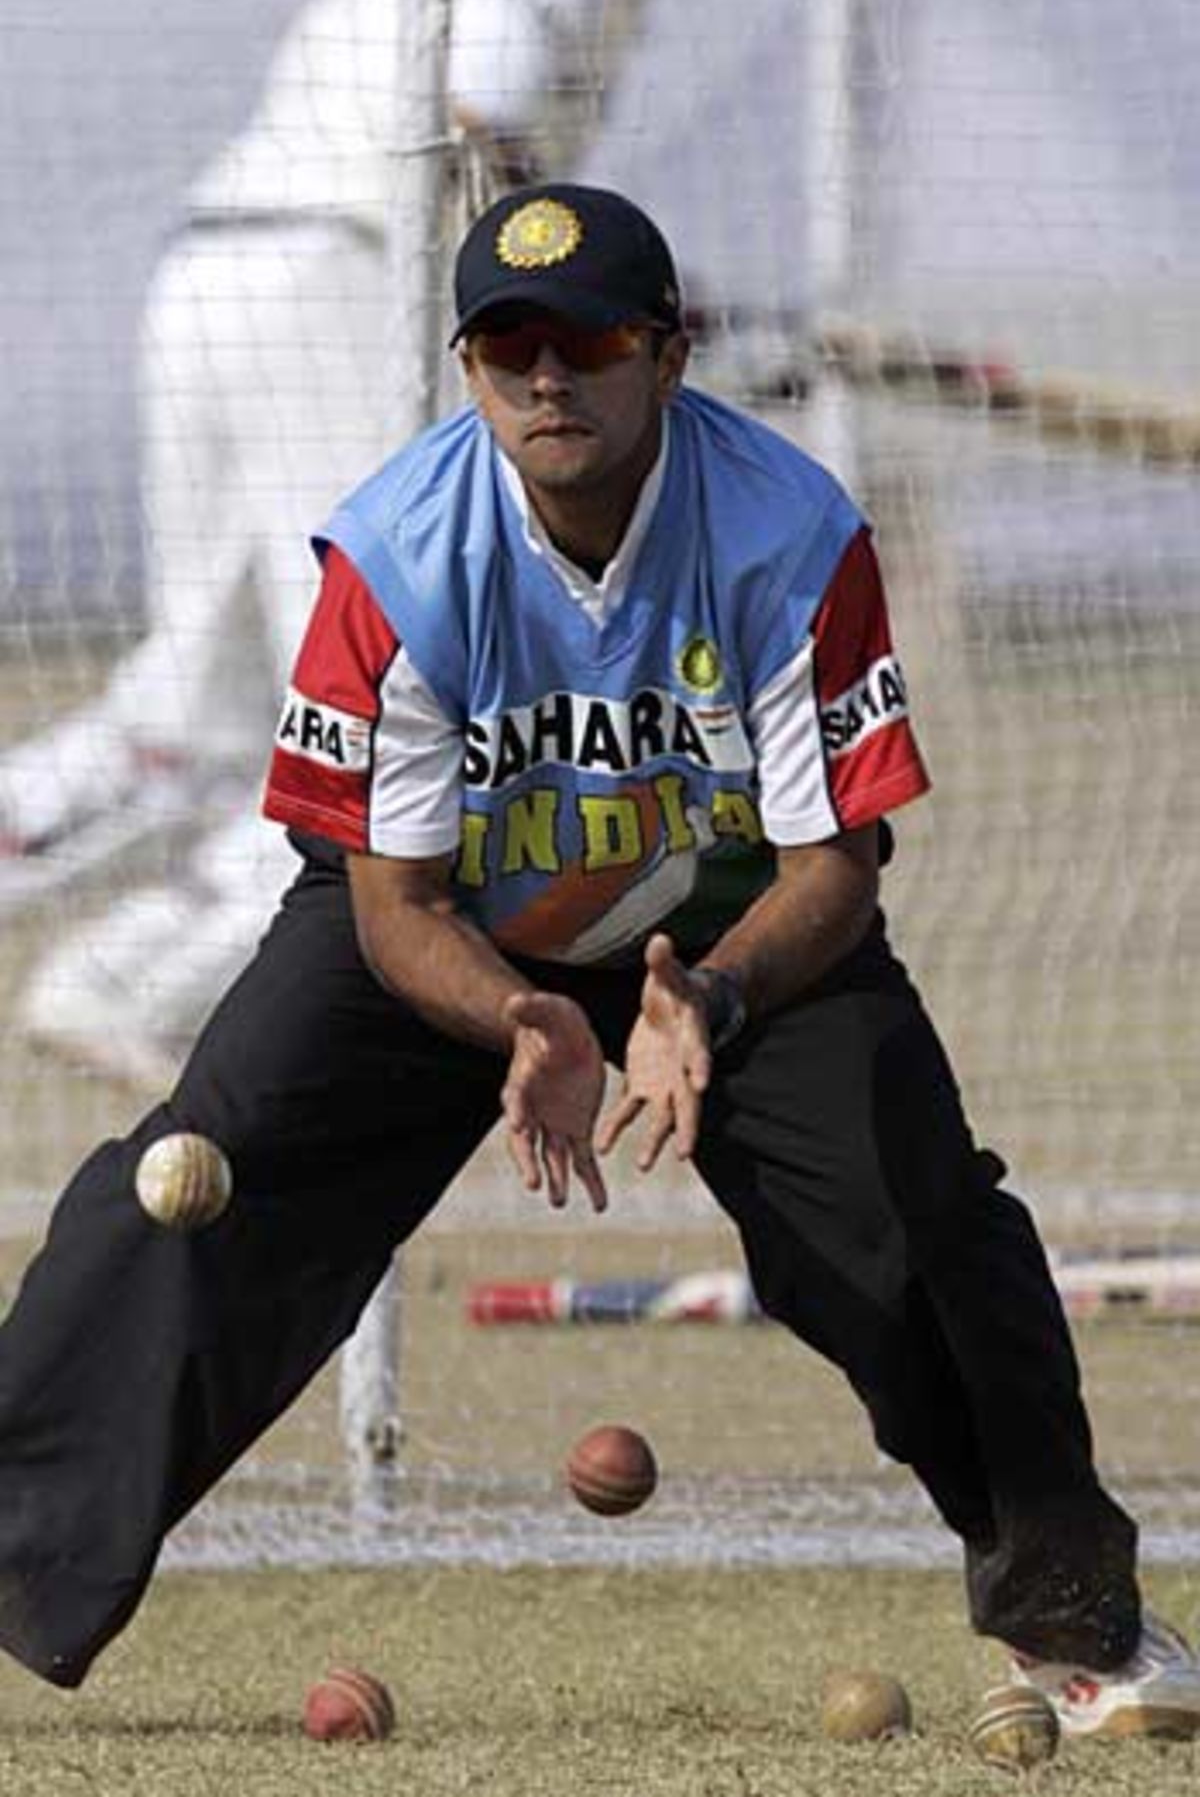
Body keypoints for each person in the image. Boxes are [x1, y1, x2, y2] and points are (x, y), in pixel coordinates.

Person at [0, 181, 1196, 1743]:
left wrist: (711, 997)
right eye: (508, 348)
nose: (547, 379)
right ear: (471, 369)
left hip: (743, 935)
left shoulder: (789, 533)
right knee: (195, 1182)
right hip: (445, 933)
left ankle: (1082, 1623)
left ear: (668, 357)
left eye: (587, 342)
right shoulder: (398, 556)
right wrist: (521, 1018)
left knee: (916, 1220)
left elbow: (837, 858)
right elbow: (389, 903)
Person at [0, 0, 632, 1092]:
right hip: (347, 278)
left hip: (216, 269)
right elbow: (474, 115)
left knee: (195, 715)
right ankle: (135, 973)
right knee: (377, 719)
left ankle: (125, 948)